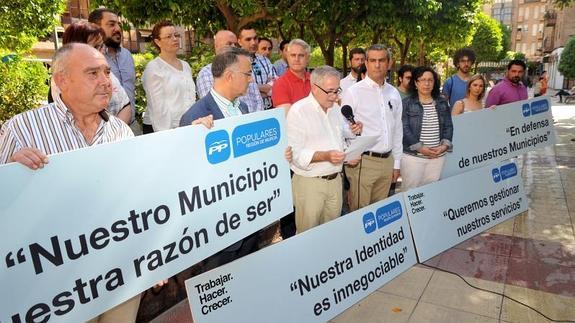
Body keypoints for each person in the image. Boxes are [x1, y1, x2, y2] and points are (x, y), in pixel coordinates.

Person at [0, 43, 139, 322]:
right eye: (92, 73)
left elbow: (138, 197)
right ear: (61, 79)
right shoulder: (21, 129)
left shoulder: (121, 131)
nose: (105, 81)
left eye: (106, 72)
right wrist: (12, 176)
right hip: (58, 286)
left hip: (120, 269)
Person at [288, 66, 362, 233]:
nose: (335, 97)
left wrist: (353, 133)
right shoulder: (298, 111)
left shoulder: (335, 108)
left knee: (332, 234)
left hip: (336, 181)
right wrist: (326, 156)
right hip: (310, 184)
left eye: (337, 91)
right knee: (307, 237)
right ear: (314, 87)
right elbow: (295, 155)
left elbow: (340, 138)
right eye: (330, 91)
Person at [341, 44, 403, 211]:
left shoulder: (394, 93)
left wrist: (396, 164)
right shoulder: (354, 92)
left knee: (380, 215)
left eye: (381, 60)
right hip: (363, 162)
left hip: (387, 162)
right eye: (373, 60)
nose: (377, 65)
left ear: (389, 63)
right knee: (360, 215)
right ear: (366, 63)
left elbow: (398, 130)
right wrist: (352, 131)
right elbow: (341, 127)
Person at [48, 21, 132, 124]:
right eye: (96, 47)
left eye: (102, 46)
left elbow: (126, 105)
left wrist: (115, 131)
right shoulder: (62, 80)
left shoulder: (107, 73)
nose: (101, 52)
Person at [401, 66, 453, 190]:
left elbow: (448, 126)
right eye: (422, 80)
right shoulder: (406, 103)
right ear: (415, 83)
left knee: (432, 193)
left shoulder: (442, 102)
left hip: (437, 158)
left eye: (430, 80)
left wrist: (444, 146)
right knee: (411, 195)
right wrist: (419, 147)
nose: (427, 83)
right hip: (413, 158)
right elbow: (404, 128)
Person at [141, 21, 196, 133]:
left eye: (176, 35)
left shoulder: (185, 66)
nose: (175, 39)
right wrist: (169, 136)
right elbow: (158, 109)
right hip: (162, 130)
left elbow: (191, 98)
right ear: (158, 42)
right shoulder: (153, 69)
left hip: (187, 126)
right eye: (169, 36)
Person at [195, 30, 264, 113]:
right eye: (229, 44)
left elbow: (258, 101)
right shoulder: (206, 73)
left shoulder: (244, 69)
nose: (234, 47)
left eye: (235, 44)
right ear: (216, 46)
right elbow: (211, 107)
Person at [89, 8, 136, 123]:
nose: (118, 29)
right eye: (111, 24)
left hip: (132, 126)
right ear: (95, 27)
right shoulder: (90, 58)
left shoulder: (127, 55)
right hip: (103, 133)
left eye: (118, 24)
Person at [237, 26, 277, 109]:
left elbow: (276, 85)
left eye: (255, 38)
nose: (253, 43)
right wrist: (266, 89)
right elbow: (240, 91)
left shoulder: (265, 60)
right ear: (239, 42)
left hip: (269, 110)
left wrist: (253, 88)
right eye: (248, 39)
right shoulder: (233, 63)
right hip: (249, 114)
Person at [271, 39, 312, 115]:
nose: (297, 59)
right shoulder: (280, 84)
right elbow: (288, 117)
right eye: (293, 55)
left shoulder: (315, 81)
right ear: (287, 57)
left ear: (308, 58)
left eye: (301, 55)